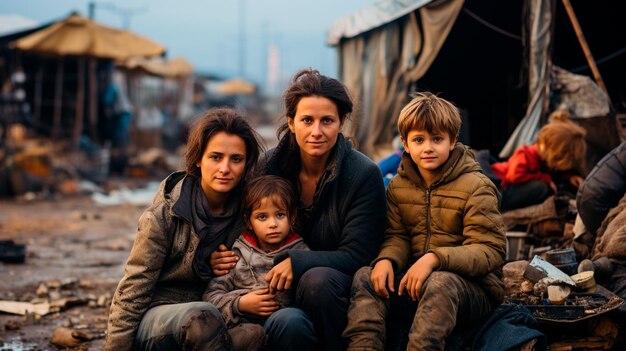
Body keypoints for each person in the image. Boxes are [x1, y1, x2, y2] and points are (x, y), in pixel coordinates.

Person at [210, 68, 386, 351]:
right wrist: (221, 253)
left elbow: (360, 254)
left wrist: (299, 262)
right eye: (307, 120)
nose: (316, 131)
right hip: (276, 296)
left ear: (341, 123)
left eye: (327, 120)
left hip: (335, 288)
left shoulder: (362, 174)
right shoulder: (269, 167)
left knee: (318, 281)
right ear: (291, 123)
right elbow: (242, 220)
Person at [343, 92, 506, 350]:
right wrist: (387, 259)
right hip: (415, 283)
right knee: (366, 276)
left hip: (472, 291)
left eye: (437, 139)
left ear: (452, 141)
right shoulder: (398, 186)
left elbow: (491, 250)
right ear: (406, 145)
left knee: (441, 283)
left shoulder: (477, 186)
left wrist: (435, 258)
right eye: (419, 140)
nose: (428, 147)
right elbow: (397, 235)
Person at [106, 108, 262, 351]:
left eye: (236, 159)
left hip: (215, 313)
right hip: (160, 316)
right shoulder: (164, 216)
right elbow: (132, 291)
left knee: (252, 335)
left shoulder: (250, 214)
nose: (225, 168)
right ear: (199, 158)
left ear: (246, 163)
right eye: (215, 157)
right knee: (202, 318)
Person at [203, 175, 309, 350]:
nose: (273, 224)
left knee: (291, 320)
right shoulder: (237, 255)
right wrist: (240, 304)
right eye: (262, 217)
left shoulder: (300, 253)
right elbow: (211, 299)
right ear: (248, 222)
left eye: (280, 215)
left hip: (284, 327)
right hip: (244, 329)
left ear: (292, 217)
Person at [485, 110, 587, 211]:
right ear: (554, 152)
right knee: (541, 188)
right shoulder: (524, 154)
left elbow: (553, 172)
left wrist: (570, 177)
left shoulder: (542, 158)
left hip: (510, 186)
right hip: (500, 189)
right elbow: (513, 176)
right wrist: (545, 178)